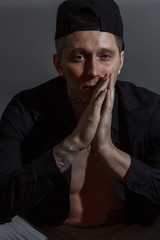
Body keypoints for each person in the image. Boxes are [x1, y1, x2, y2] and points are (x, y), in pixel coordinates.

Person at [0, 0, 160, 239]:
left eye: (105, 56)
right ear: (59, 64)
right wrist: (73, 143)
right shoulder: (25, 110)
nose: (94, 71)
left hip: (131, 231)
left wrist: (106, 149)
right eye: (78, 57)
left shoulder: (150, 110)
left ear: (121, 61)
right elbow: (3, 200)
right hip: (44, 231)